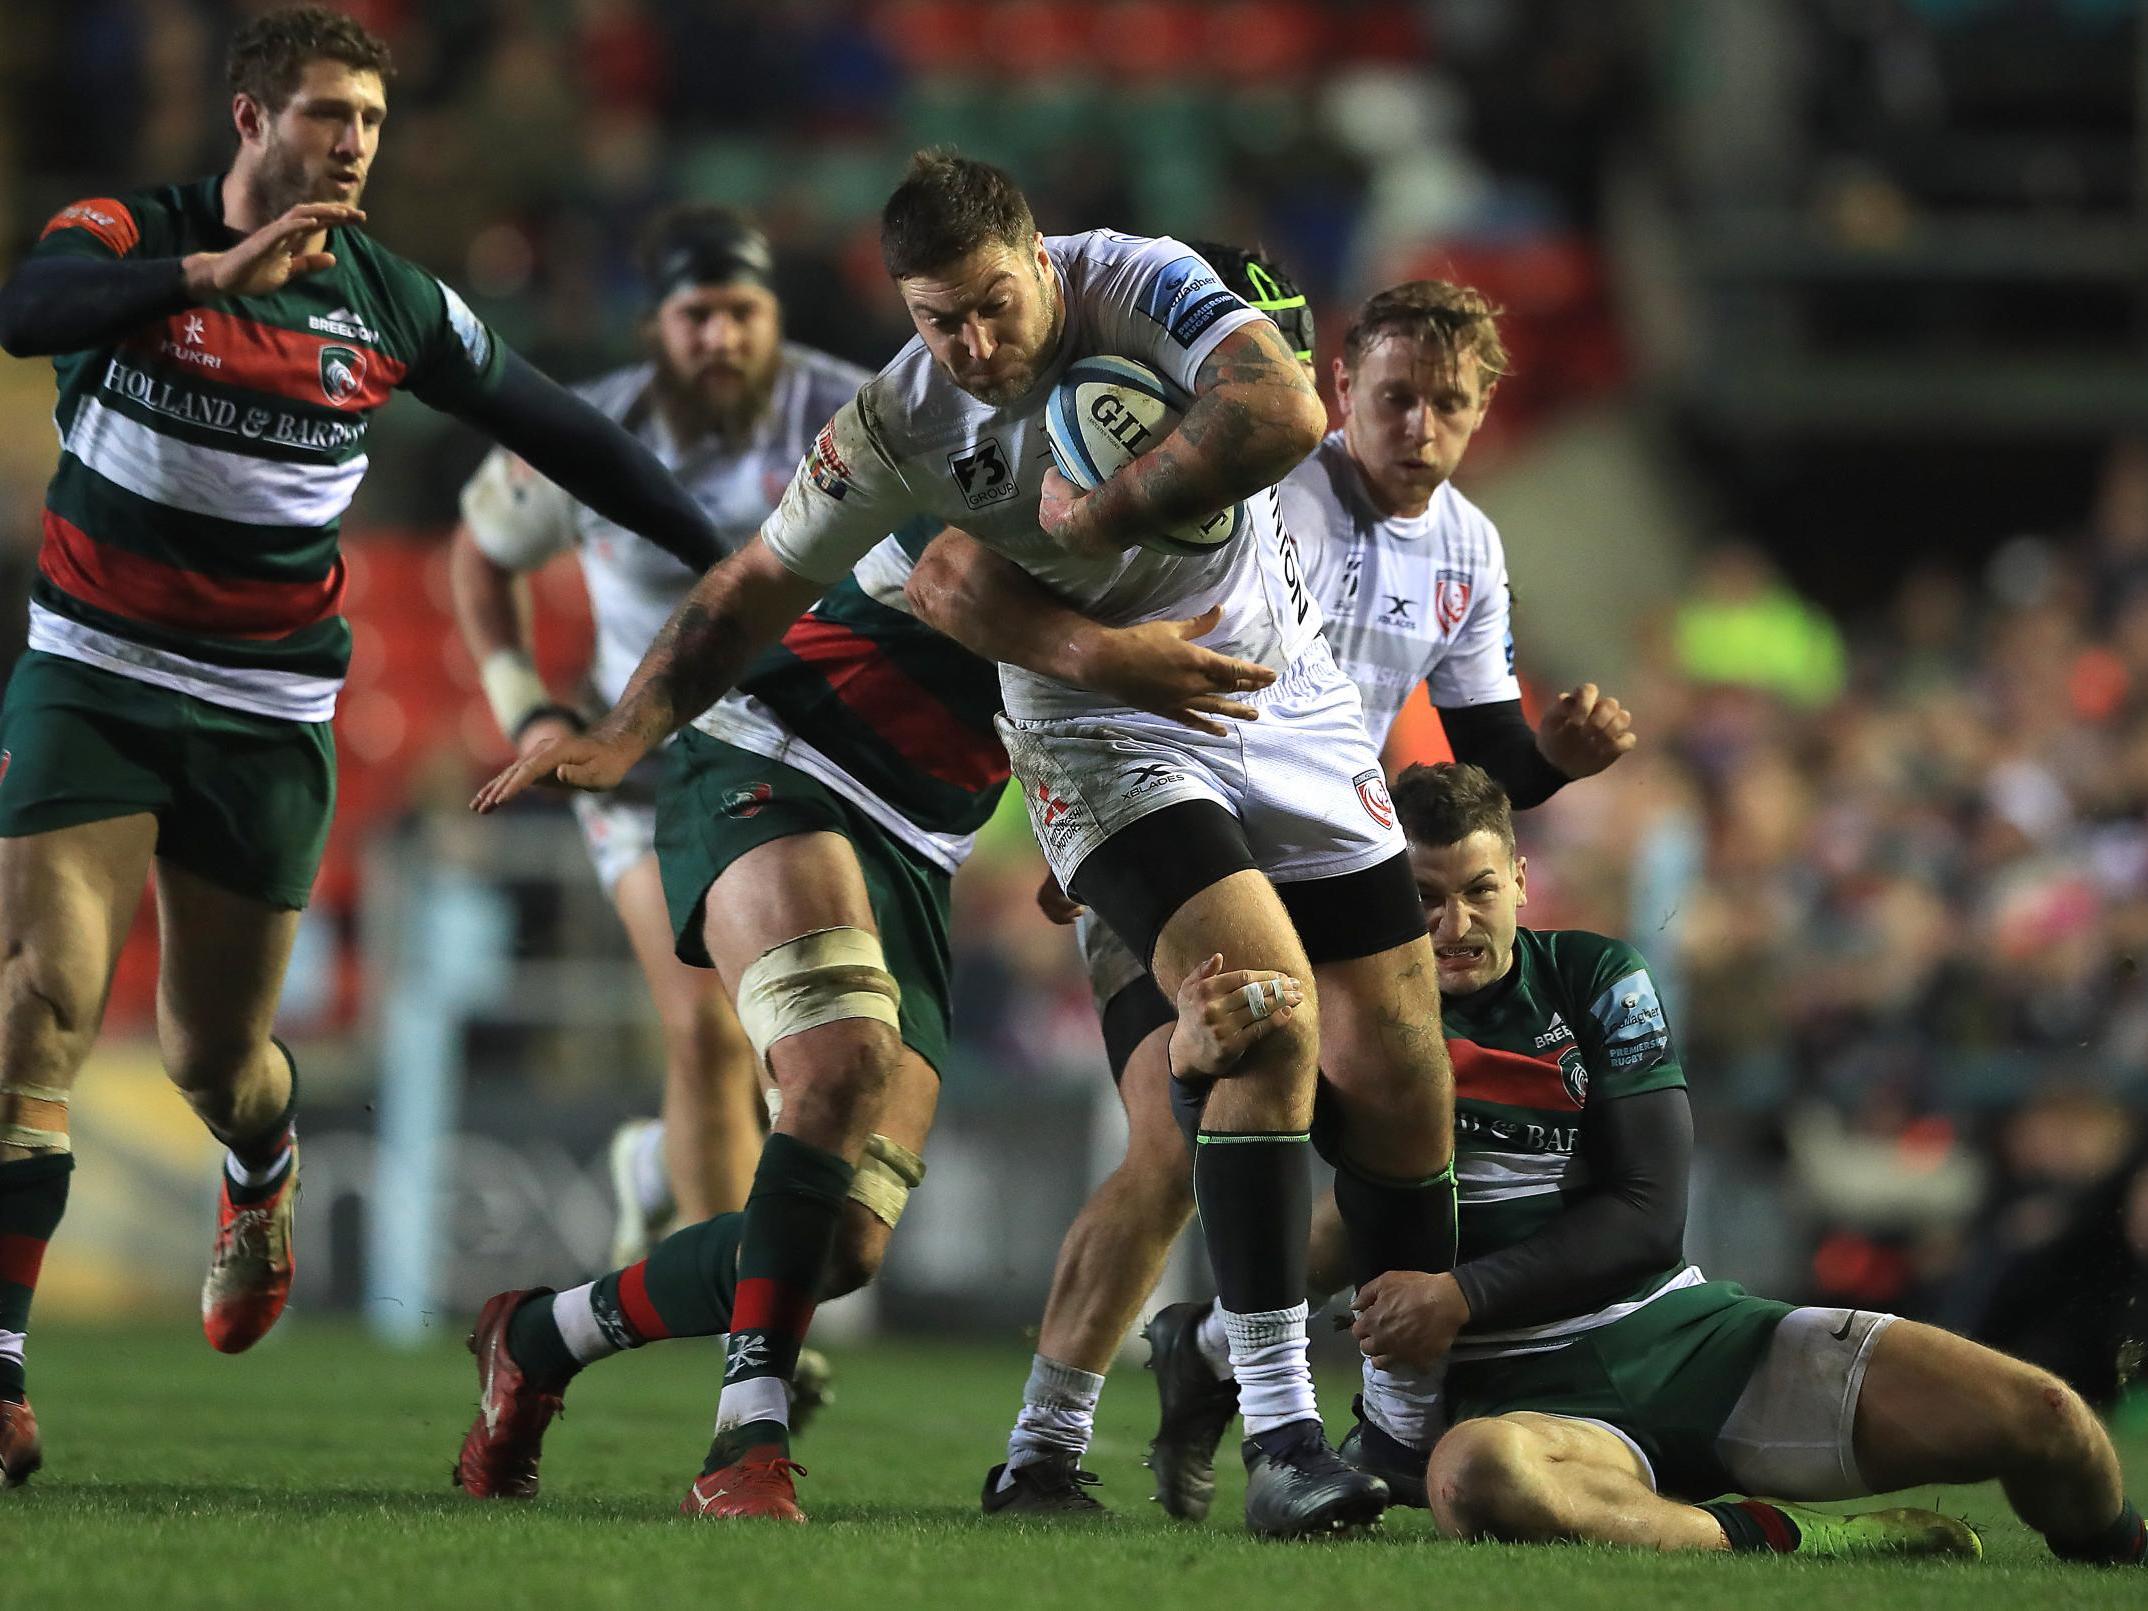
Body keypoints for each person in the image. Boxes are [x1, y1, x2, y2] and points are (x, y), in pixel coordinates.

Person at [476, 150, 1460, 1537]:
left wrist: (1105, 519)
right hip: (867, 757)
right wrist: (627, 730)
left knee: (856, 1231)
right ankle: (777, 1441)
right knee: (1185, 1032)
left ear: (1044, 258)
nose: (976, 343)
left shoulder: (1149, 290)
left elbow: (1282, 408)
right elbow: (847, 579)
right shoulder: (911, 429)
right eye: (942, 318)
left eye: (995, 305)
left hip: (1039, 786)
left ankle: (546, 1333)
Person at [0, 7, 731, 1491]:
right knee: (41, 1003)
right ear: (251, 115)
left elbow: (564, 431)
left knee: (217, 1054)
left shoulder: (391, 301)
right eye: (327, 113)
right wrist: (201, 278)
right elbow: (30, 307)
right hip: (93, 673)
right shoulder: (133, 234)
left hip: (265, 714)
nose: (351, 143)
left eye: (372, 121)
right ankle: (4, 1375)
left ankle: (259, 1166)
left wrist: (734, 559)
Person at [904, 275, 1635, 1514]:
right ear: (1339, 389)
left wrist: (1554, 758)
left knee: (1396, 1120)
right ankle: (1047, 1446)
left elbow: (1481, 754)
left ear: (1483, 412)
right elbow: (1028, 589)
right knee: (1166, 1151)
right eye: (1395, 397)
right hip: (1173, 832)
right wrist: (1091, 833)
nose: (1419, 428)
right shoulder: (1249, 479)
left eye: (1447, 405)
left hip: (1329, 850)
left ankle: (1247, 1373)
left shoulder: (1466, 546)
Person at [1339, 762, 2145, 1567]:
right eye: (1425, 898)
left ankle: (2122, 1555)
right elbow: (1325, 1214)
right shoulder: (1356, 1016)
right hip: (1527, 1410)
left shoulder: (1594, 977)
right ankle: (1812, 1538)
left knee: (2047, 1416)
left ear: (1520, 880)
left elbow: (1651, 1217)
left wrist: (1458, 1293)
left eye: (1478, 890)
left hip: (1691, 1344)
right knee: (1473, 1475)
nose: (1455, 925)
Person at [449, 205, 865, 1263]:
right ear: (655, 325)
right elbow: (482, 552)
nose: (720, 338)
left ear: (774, 317)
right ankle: (749, 1338)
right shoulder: (593, 433)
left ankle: (657, 1166)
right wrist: (525, 705)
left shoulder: (848, 417)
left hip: (808, 768)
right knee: (703, 1031)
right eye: (697, 316)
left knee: (806, 1049)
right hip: (649, 769)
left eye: (741, 313)